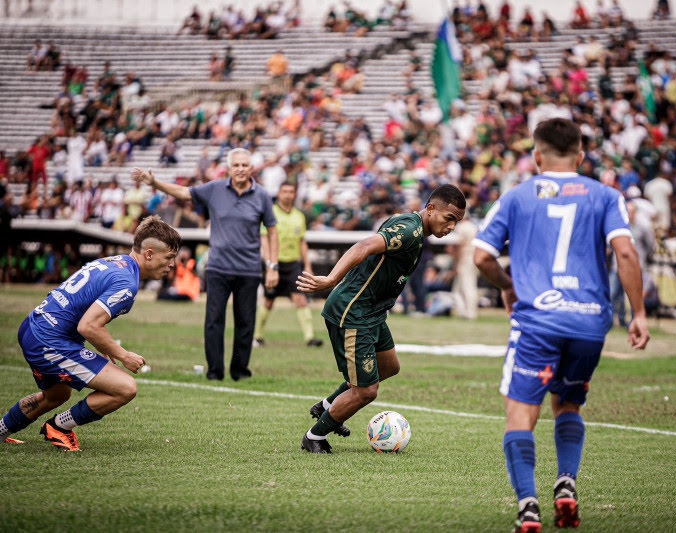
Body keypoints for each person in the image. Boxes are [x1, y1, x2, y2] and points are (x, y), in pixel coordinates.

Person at [473, 118, 650, 532]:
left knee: (521, 413)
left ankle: (528, 506)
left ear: (536, 156)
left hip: (538, 319)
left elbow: (482, 256)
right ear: (581, 155)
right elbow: (625, 253)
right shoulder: (605, 196)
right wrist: (639, 313)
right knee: (568, 404)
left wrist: (510, 287)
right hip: (589, 323)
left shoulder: (516, 197)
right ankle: (566, 485)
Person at [297, 184, 466, 453]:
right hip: (353, 312)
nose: (451, 227)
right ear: (431, 209)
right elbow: (364, 245)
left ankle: (328, 407)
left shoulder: (417, 229)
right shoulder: (410, 230)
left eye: (456, 222)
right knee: (366, 391)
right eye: (449, 219)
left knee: (389, 366)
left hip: (373, 312)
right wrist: (330, 278)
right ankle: (314, 437)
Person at [0, 216, 181, 451]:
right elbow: (88, 326)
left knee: (56, 395)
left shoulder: (115, 262)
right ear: (148, 254)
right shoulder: (127, 282)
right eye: (169, 257)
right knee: (125, 388)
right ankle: (59, 427)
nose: (172, 265)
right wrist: (123, 355)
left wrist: (105, 347)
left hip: (34, 327)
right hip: (50, 340)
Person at [131, 148, 279, 381]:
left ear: (251, 168)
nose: (240, 169)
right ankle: (214, 372)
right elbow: (182, 192)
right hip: (218, 267)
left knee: (245, 323)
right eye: (236, 165)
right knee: (214, 321)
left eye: (245, 165)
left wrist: (272, 266)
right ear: (229, 168)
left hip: (249, 269)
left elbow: (272, 230)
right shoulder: (215, 188)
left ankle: (240, 372)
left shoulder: (261, 195)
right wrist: (154, 182)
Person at [253, 181, 323, 348]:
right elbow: (265, 239)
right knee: (268, 301)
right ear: (279, 193)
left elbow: (302, 242)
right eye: (284, 191)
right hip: (274, 265)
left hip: (293, 264)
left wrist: (307, 265)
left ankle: (309, 338)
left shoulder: (299, 216)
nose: (287, 194)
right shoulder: (270, 213)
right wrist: (270, 264)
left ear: (294, 194)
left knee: (300, 300)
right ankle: (257, 336)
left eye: (291, 191)